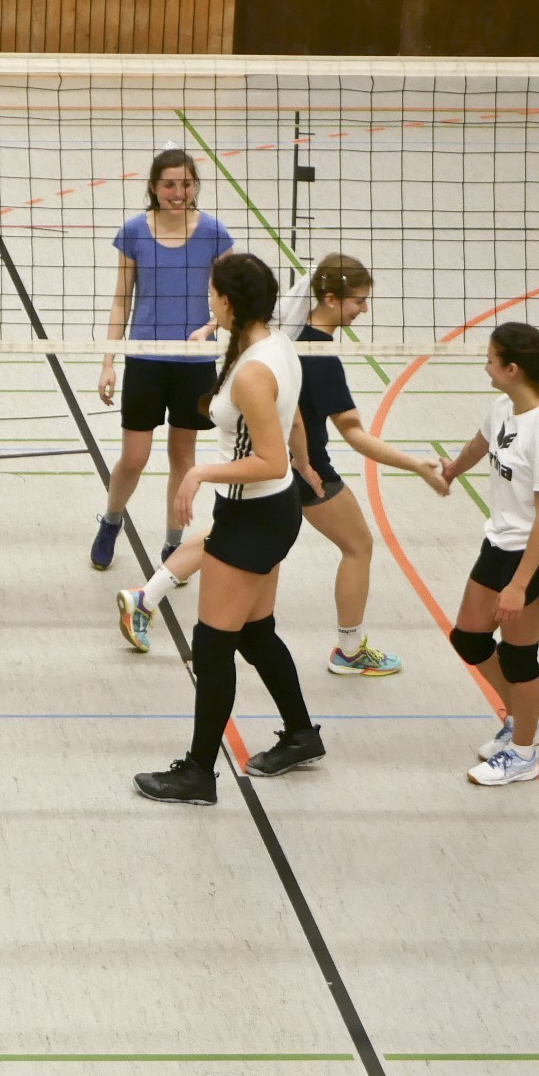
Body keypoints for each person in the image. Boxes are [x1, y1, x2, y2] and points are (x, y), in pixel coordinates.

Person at [116, 254, 450, 668]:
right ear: (330, 299)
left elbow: (292, 417)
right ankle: (349, 649)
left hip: (286, 466)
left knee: (224, 536)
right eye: (359, 301)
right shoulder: (318, 358)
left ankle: (145, 598)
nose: (364, 309)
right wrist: (415, 464)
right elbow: (353, 433)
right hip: (301, 472)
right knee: (358, 546)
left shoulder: (283, 338)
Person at [134, 254, 321, 806]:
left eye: (213, 294)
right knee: (256, 635)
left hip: (253, 518)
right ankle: (302, 734)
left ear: (230, 302)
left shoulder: (254, 372)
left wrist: (199, 472)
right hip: (268, 511)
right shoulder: (275, 345)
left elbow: (269, 459)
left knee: (213, 647)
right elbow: (292, 419)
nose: (207, 300)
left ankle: (198, 774)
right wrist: (306, 465)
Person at [442, 322, 539, 787]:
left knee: (519, 659)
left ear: (512, 368)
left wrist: (519, 585)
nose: (486, 367)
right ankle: (526, 720)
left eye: (491, 360)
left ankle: (522, 754)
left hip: (537, 556)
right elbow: (480, 444)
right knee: (469, 638)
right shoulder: (503, 407)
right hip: (498, 544)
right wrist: (452, 470)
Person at [93, 149, 234, 573]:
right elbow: (121, 301)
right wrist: (108, 362)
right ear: (154, 187)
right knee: (134, 458)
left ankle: (173, 544)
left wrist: (209, 329)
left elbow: (230, 300)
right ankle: (111, 520)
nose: (178, 192)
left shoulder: (214, 233)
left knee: (182, 458)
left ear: (196, 186)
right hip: (146, 360)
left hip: (194, 362)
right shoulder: (135, 231)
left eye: (186, 184)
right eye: (169, 184)